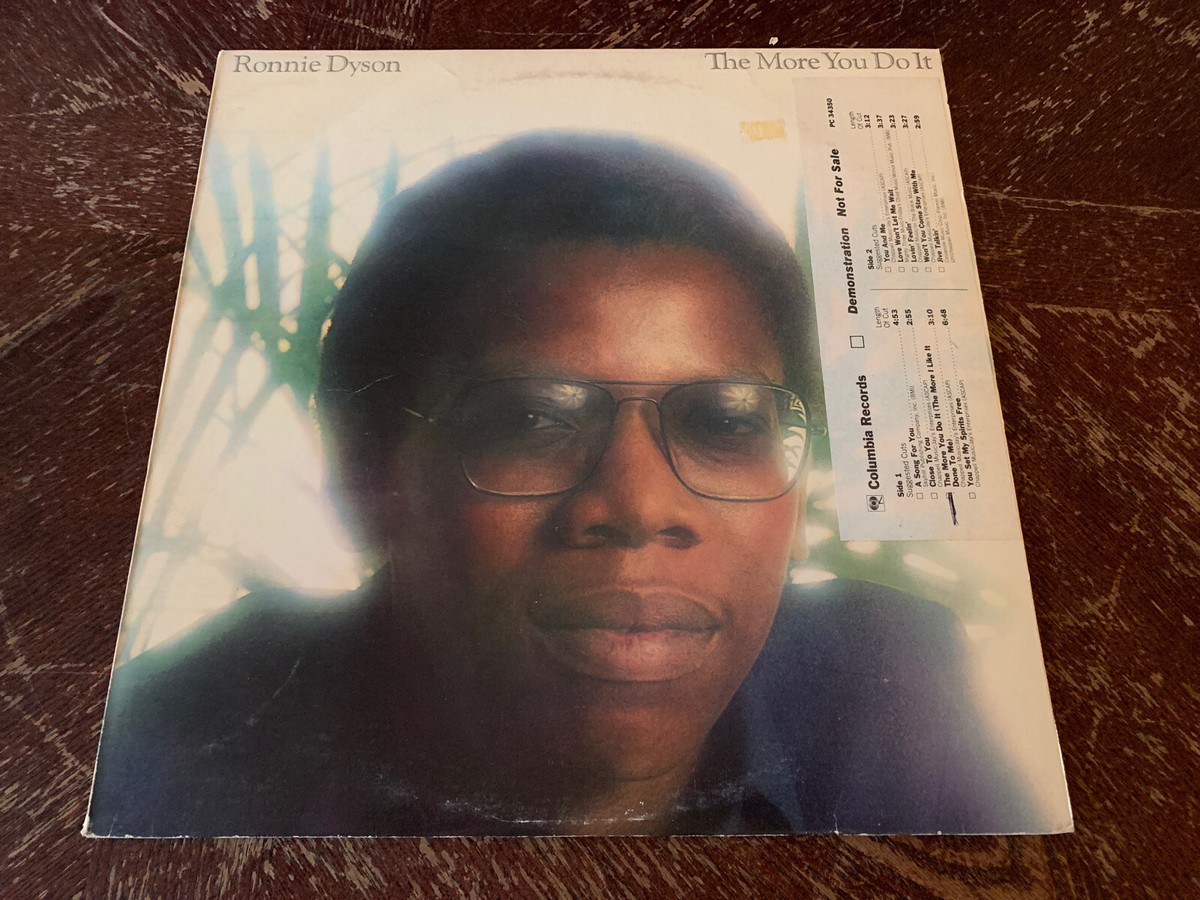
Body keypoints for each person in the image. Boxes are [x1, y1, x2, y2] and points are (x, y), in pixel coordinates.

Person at [88, 133, 1039, 836]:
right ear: (371, 476)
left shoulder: (888, 685)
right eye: (533, 421)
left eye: (723, 423)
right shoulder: (159, 766)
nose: (638, 507)